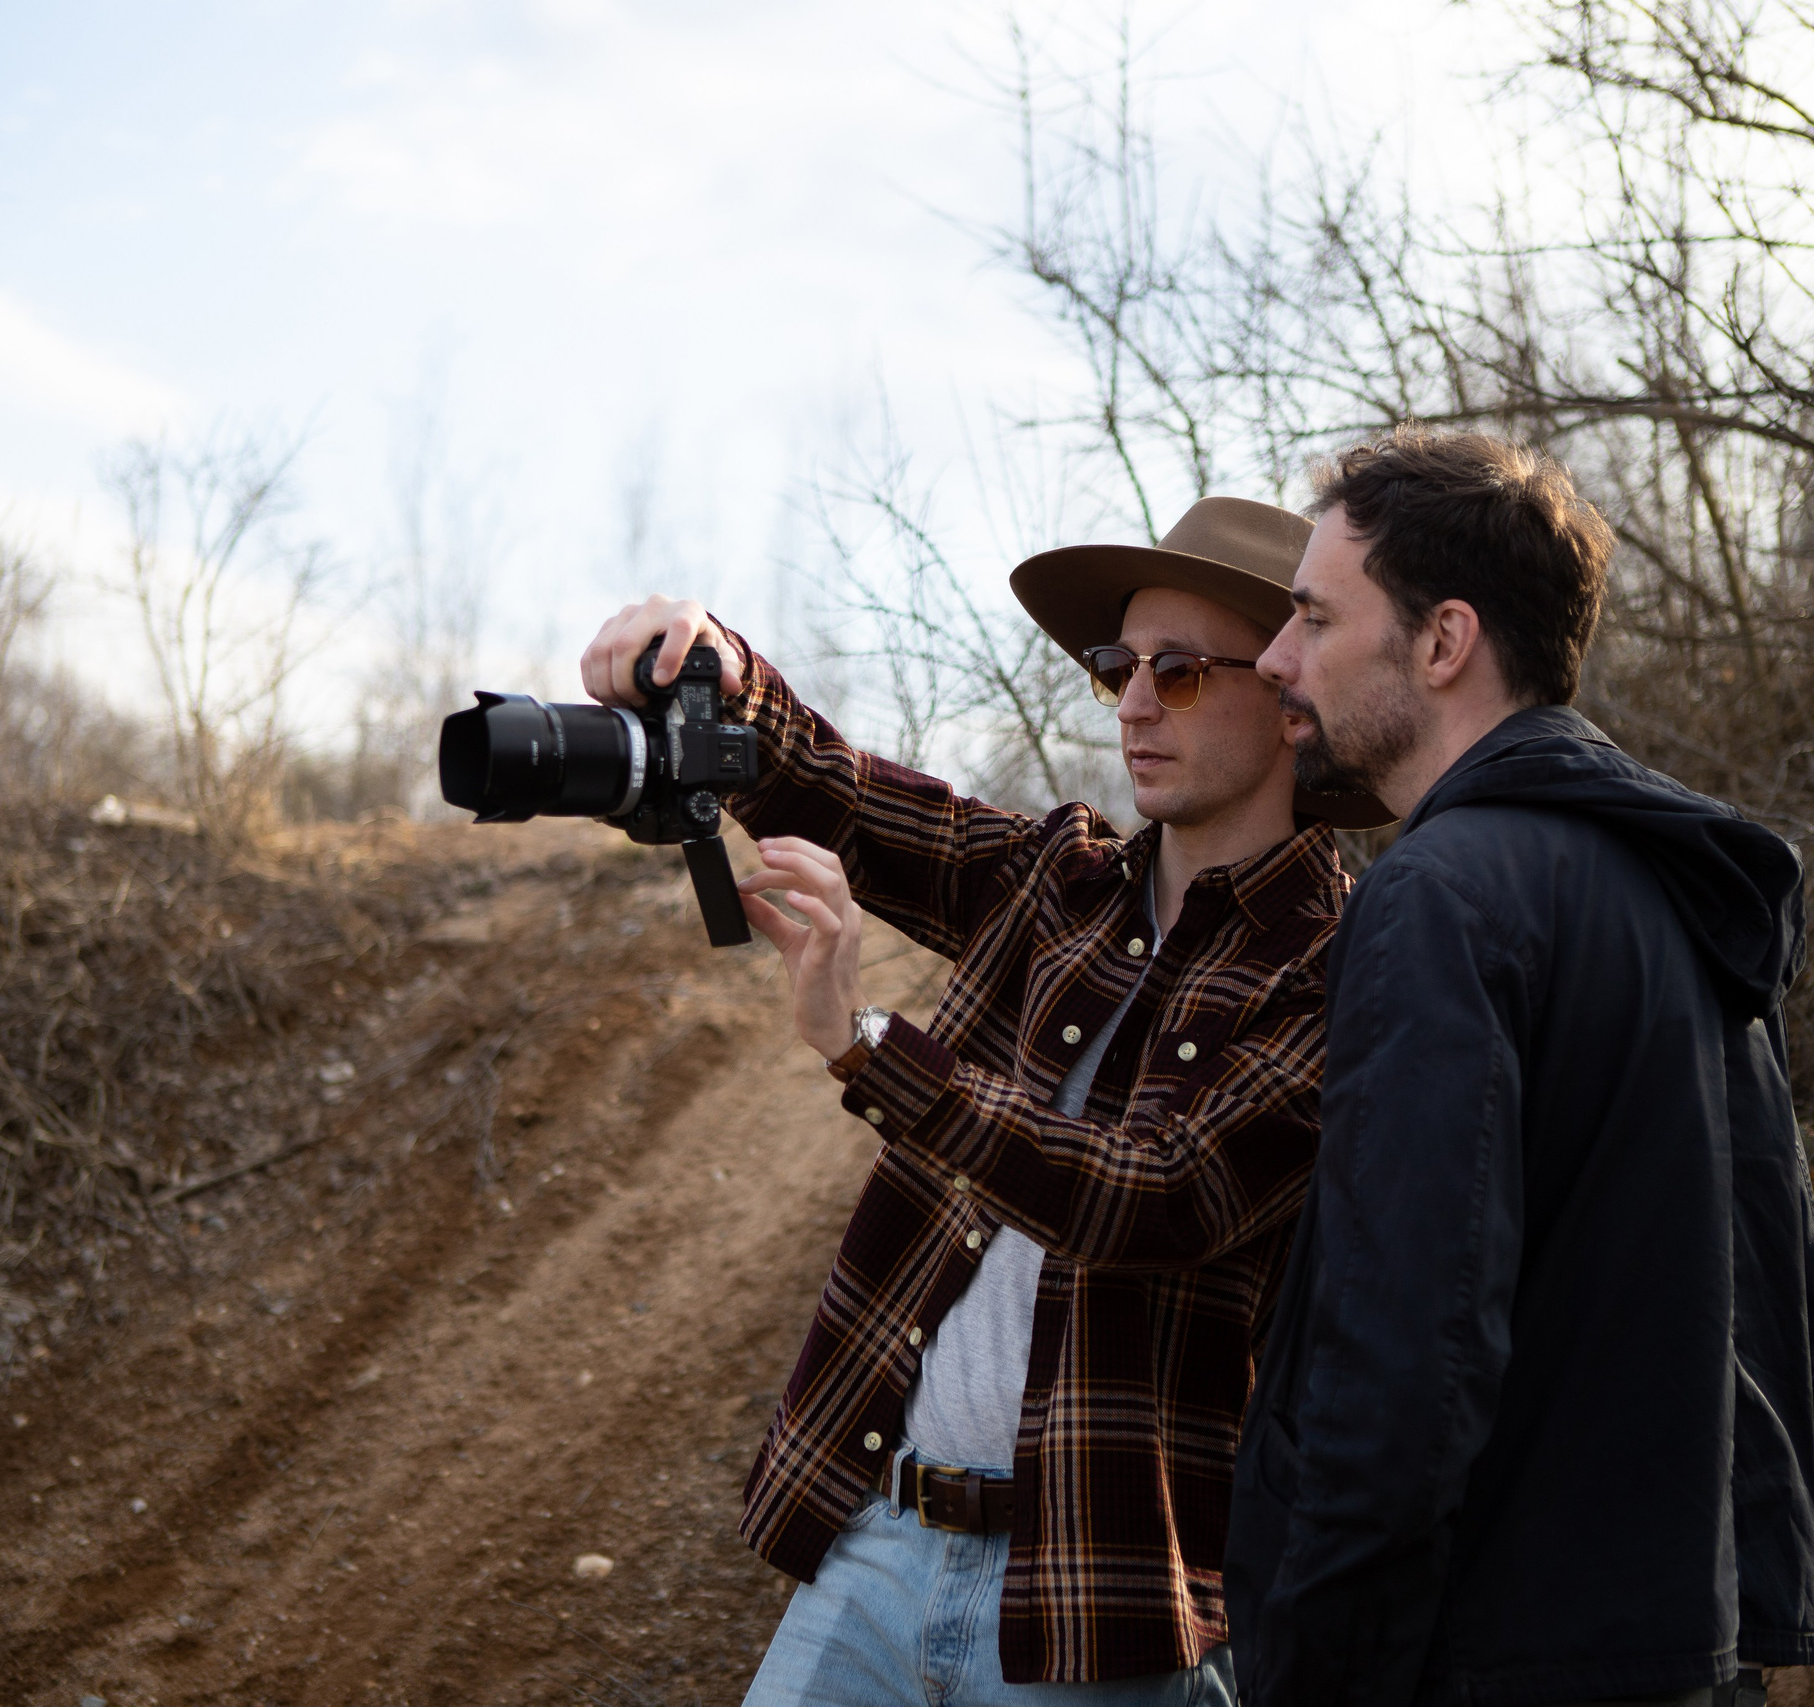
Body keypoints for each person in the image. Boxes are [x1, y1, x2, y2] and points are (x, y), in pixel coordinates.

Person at [577, 498, 1386, 1704]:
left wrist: (868, 1047)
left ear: (1286, 691)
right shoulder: (1053, 881)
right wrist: (718, 666)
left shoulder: (1338, 969)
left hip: (1096, 1607)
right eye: (1120, 667)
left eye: (1179, 670)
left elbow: (1150, 1195)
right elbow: (838, 790)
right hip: (879, 1541)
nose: (1132, 703)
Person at [1228, 427, 1814, 1707]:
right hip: (1676, 1650)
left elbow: (1404, 1361)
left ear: (1443, 643)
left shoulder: (1437, 898)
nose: (1275, 661)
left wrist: (1314, 1673)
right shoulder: (1675, 889)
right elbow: (1780, 1316)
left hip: (1493, 1657)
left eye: (1312, 620)